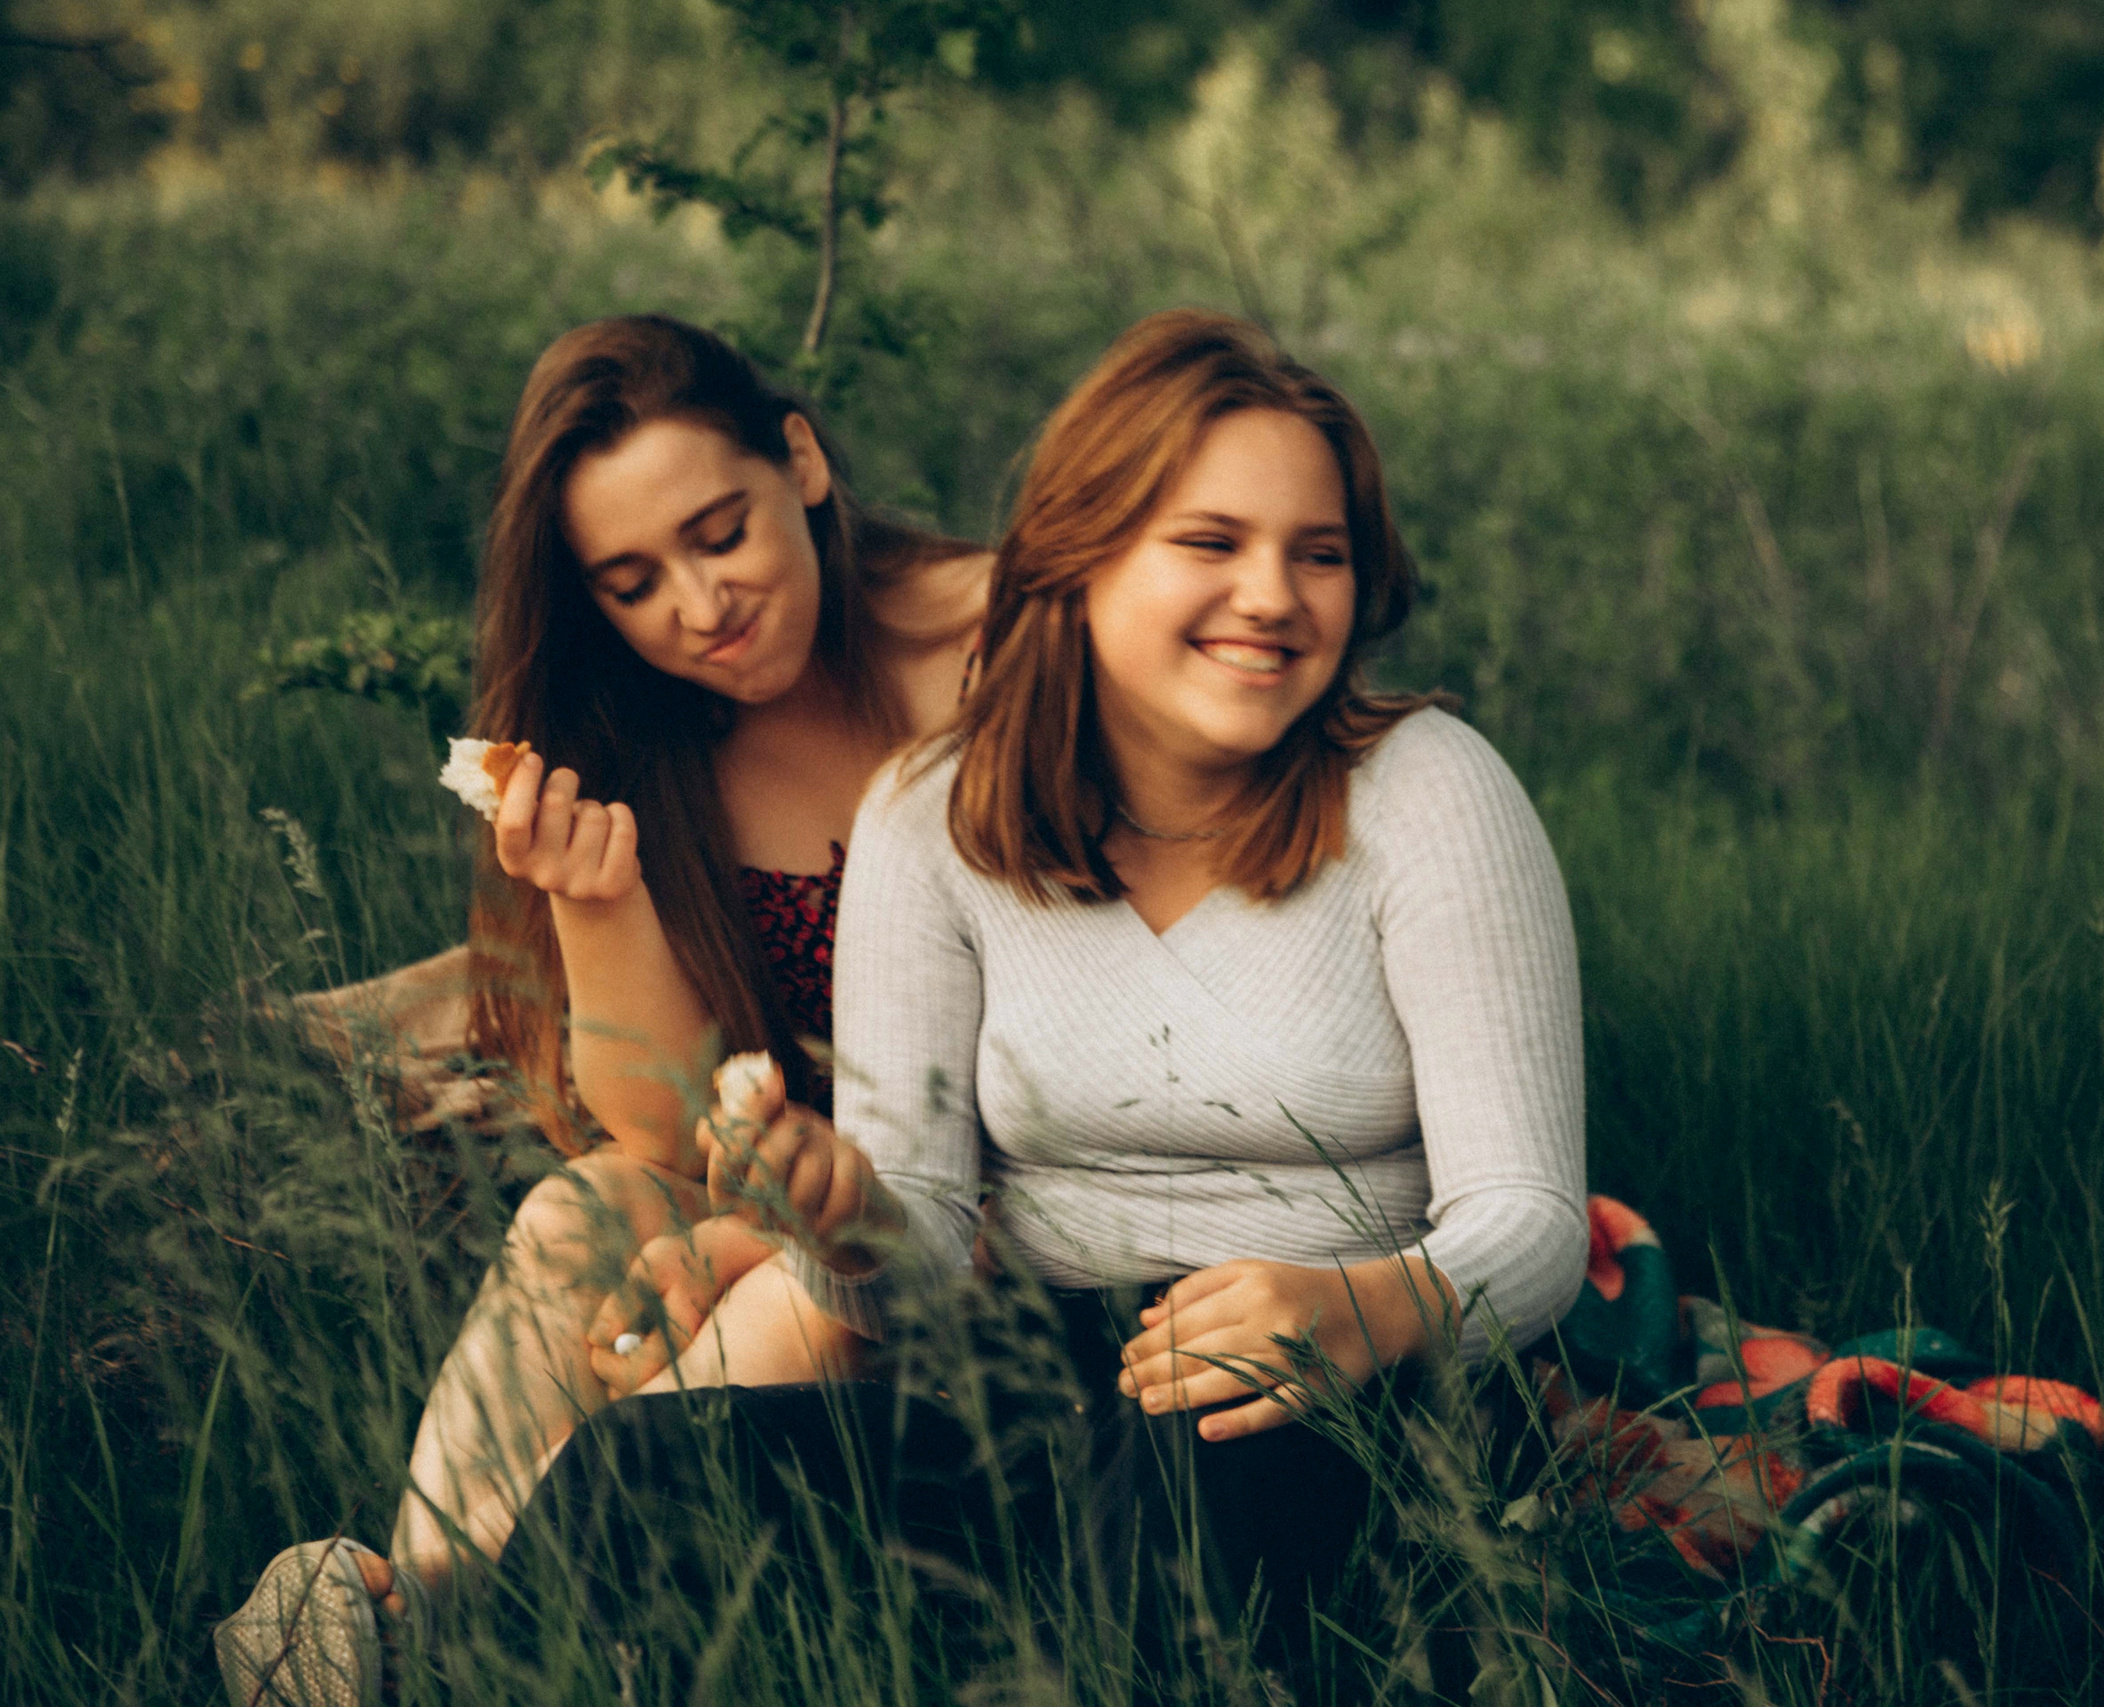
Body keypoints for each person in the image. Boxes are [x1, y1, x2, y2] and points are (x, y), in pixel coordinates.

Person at [501, 308, 1589, 1687]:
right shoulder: (931, 818)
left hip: (1358, 1388)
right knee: (642, 1471)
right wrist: (837, 1208)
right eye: (1212, 544)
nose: (1274, 595)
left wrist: (1369, 1306)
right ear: (1081, 558)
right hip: (1036, 1382)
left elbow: (1534, 1221)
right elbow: (915, 1259)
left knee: (1180, 1494)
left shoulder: (1431, 794)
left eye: (1319, 554)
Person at [215, 315, 989, 1707]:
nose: (701, 608)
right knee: (581, 1212)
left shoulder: (998, 646)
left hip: (982, 1219)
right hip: (793, 1198)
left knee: (739, 1274)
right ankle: (418, 1602)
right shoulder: (651, 731)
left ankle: (453, 1635)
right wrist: (595, 902)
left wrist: (767, 1241)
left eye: (721, 532)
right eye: (634, 582)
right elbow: (658, 1133)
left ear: (800, 460)